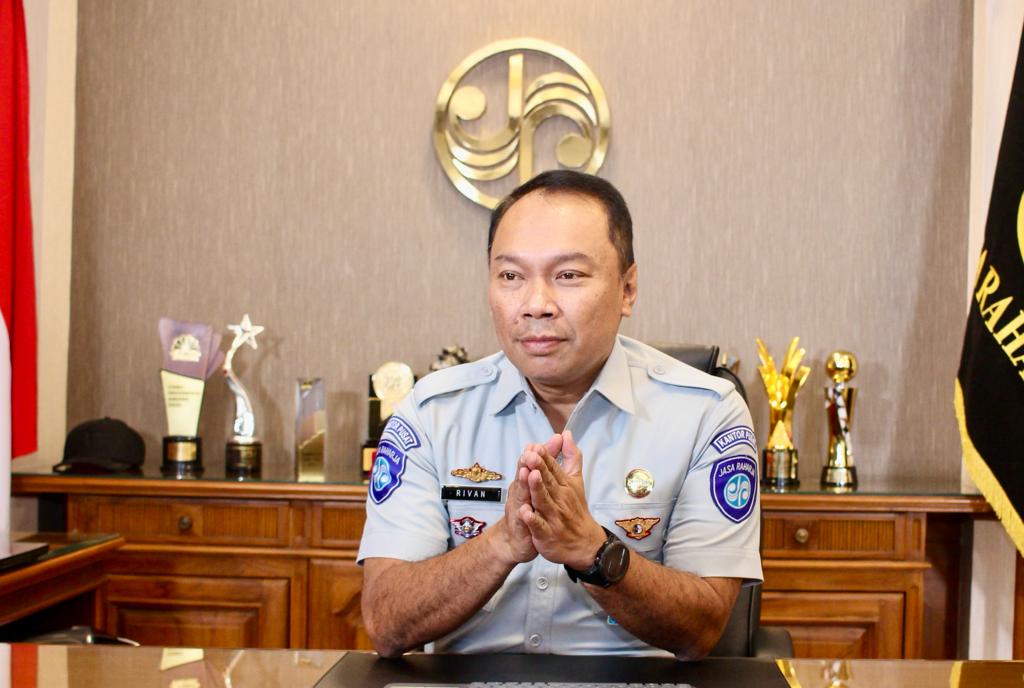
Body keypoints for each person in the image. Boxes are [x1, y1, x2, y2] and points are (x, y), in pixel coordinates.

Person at [358, 170, 761, 658]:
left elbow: (703, 630)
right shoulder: (431, 413)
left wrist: (594, 552)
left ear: (628, 288)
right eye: (511, 276)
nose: (535, 305)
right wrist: (502, 544)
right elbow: (385, 623)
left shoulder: (707, 414)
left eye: (568, 275)